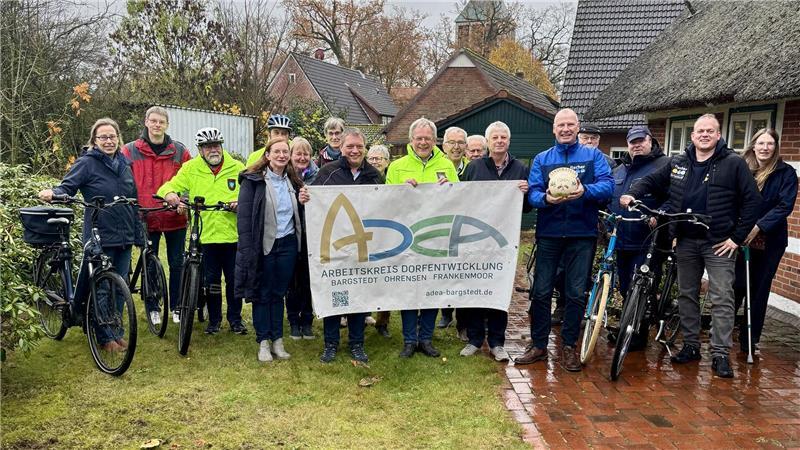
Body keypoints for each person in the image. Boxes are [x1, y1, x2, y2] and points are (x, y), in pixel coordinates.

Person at [620, 114, 761, 378]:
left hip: (719, 243)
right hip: (685, 240)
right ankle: (691, 346)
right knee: (687, 295)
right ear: (693, 136)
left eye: (710, 131)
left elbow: (753, 202)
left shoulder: (733, 164)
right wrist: (633, 193)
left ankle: (720, 354)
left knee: (721, 298)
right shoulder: (679, 162)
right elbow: (651, 181)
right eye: (700, 131)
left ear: (719, 135)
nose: (704, 135)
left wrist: (736, 237)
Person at [515, 108, 613, 372]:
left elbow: (608, 185)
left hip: (582, 235)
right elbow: (533, 192)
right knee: (541, 291)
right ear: (554, 129)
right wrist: (545, 199)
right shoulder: (542, 158)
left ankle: (569, 346)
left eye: (571, 124)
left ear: (577, 127)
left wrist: (585, 191)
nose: (566, 129)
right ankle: (537, 345)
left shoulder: (593, 156)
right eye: (561, 125)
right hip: (549, 234)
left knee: (575, 293)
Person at [38, 117, 139, 352]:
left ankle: (116, 332)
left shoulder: (125, 163)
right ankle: (104, 336)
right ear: (94, 140)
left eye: (112, 136)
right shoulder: (87, 163)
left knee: (120, 287)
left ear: (118, 138)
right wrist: (54, 193)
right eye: (103, 137)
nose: (108, 141)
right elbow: (67, 187)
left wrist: (137, 231)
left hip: (123, 234)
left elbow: (133, 198)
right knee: (102, 287)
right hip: (99, 234)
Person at [158, 128, 247, 335]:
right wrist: (170, 194)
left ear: (222, 146)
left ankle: (235, 320)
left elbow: (251, 193)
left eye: (216, 145)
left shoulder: (237, 167)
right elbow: (170, 185)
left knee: (234, 281)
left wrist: (240, 202)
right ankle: (214, 321)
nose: (213, 150)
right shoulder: (190, 168)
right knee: (212, 282)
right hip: (206, 236)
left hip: (233, 235)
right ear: (200, 149)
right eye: (208, 147)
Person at [385, 117, 459, 358]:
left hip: (436, 237)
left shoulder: (447, 165)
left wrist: (450, 188)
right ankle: (409, 339)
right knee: (408, 289)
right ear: (411, 140)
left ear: (434, 140)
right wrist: (400, 191)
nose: (423, 142)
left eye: (428, 138)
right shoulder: (397, 167)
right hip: (405, 238)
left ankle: (425, 339)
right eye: (419, 138)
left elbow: (461, 198)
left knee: (432, 288)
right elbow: (383, 201)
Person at [459, 121, 531, 362]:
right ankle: (475, 339)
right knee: (476, 288)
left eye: (503, 137)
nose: (499, 141)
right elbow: (462, 200)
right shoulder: (474, 167)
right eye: (495, 137)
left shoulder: (520, 169)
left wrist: (526, 192)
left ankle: (498, 342)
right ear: (488, 142)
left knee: (500, 289)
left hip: (504, 241)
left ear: (508, 142)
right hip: (476, 239)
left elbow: (527, 207)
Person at [311, 128, 384, 363]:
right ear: (341, 148)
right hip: (333, 246)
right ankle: (330, 343)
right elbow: (314, 204)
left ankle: (356, 343)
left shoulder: (373, 175)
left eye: (359, 147)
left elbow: (385, 206)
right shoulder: (327, 172)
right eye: (350, 146)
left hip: (362, 246)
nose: (354, 150)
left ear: (365, 149)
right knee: (335, 294)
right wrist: (306, 198)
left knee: (359, 295)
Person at [235, 138, 310, 362]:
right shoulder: (253, 180)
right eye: (276, 151)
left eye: (285, 151)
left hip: (287, 244)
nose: (281, 155)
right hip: (263, 246)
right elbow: (245, 219)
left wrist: (304, 201)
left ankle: (278, 339)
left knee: (278, 294)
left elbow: (302, 214)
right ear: (267, 155)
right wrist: (248, 250)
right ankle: (263, 342)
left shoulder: (294, 181)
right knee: (262, 294)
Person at [122, 106, 191, 325]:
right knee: (150, 262)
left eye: (161, 122)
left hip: (174, 216)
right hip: (146, 216)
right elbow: (124, 181)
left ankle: (178, 306)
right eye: (153, 121)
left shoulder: (180, 151)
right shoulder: (130, 150)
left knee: (177, 263)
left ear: (167, 125)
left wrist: (185, 202)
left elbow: (191, 181)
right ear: (146, 122)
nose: (157, 125)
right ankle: (153, 306)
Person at [734, 129, 797, 355]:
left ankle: (749, 338)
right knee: (736, 285)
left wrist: (759, 226)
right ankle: (724, 331)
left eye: (770, 144)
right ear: (753, 145)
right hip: (740, 238)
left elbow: (784, 205)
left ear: (775, 147)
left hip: (769, 241)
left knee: (758, 289)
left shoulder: (785, 173)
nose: (765, 148)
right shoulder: (742, 168)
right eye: (761, 143)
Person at [606, 125, 669, 349]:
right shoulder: (621, 169)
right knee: (625, 288)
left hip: (648, 240)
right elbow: (610, 198)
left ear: (651, 141)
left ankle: (637, 335)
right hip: (622, 239)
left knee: (640, 287)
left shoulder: (663, 165)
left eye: (641, 140)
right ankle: (627, 328)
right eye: (633, 142)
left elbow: (674, 197)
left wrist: (659, 215)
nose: (637, 145)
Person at [286, 137, 319, 340]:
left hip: (312, 236)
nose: (302, 157)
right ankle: (293, 321)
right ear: (291, 155)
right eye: (298, 153)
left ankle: (307, 320)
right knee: (292, 282)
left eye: (306, 153)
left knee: (308, 281)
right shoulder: (284, 176)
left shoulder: (318, 176)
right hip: (290, 236)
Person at [364, 143, 392, 337]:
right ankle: (364, 315)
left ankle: (383, 321)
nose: (374, 162)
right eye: (371, 158)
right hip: (367, 232)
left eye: (379, 158)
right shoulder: (365, 177)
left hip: (389, 233)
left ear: (387, 161)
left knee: (386, 278)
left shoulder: (392, 178)